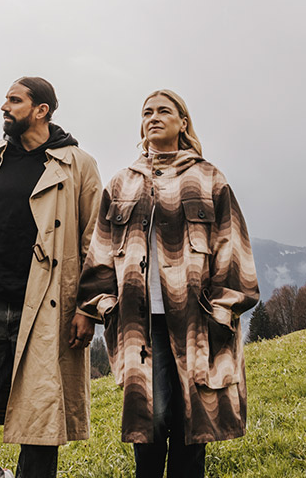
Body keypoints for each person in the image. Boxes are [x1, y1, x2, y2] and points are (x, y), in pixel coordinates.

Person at [74, 90, 259, 478]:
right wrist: (105, 306)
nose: (153, 117)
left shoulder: (209, 178)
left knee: (194, 420)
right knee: (150, 420)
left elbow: (232, 247)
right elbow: (100, 253)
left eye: (163, 111)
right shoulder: (121, 184)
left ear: (182, 123)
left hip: (197, 323)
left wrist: (223, 309)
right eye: (147, 112)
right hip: (140, 326)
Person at [0, 77, 103, 478]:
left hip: (48, 304)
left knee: (41, 414)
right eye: (6, 100)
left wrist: (88, 309)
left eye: (14, 100)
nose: (4, 107)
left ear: (41, 110)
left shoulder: (78, 164)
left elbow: (95, 240)